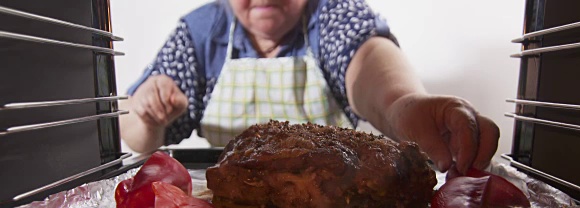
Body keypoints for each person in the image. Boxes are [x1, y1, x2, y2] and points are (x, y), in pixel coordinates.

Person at [119, 0, 499, 174]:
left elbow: (371, 69)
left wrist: (404, 105)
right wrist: (149, 115)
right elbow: (138, 137)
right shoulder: (202, 34)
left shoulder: (333, 15)